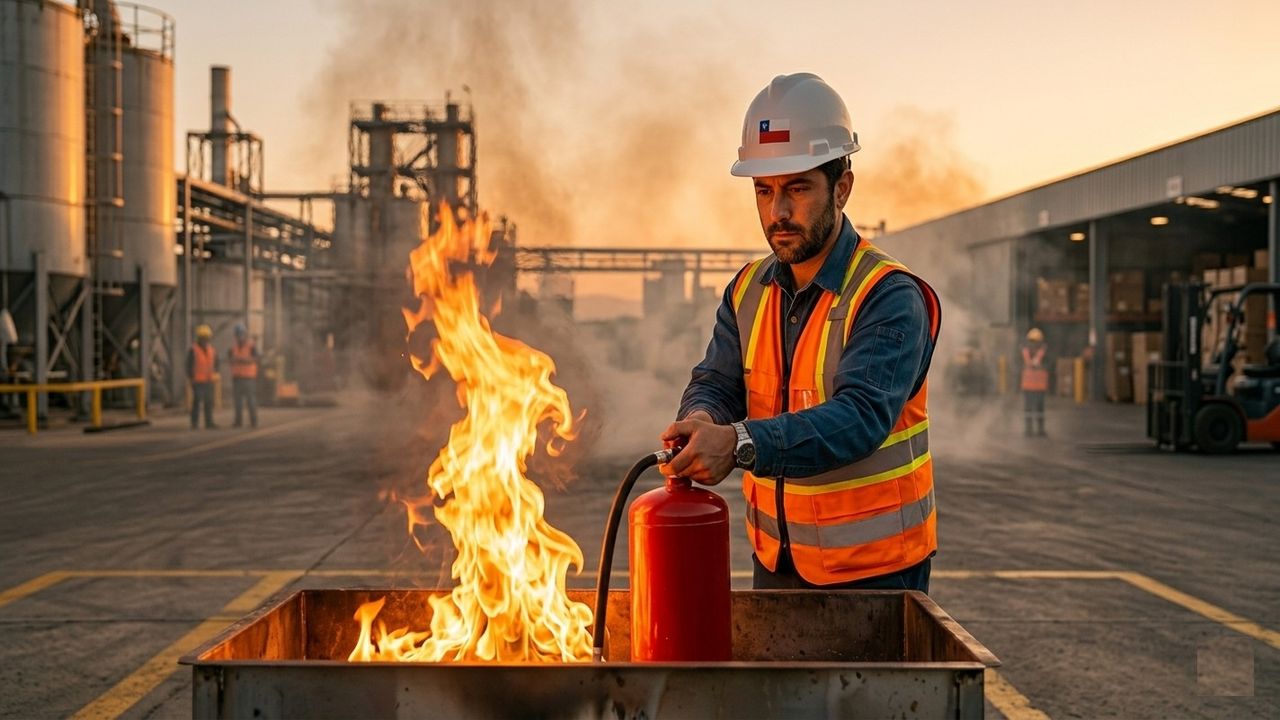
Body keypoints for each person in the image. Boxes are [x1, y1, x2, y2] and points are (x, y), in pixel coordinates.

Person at [660, 74, 941, 592]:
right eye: (764, 192)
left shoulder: (888, 294)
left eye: (797, 188)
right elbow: (718, 382)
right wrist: (701, 418)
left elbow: (859, 419)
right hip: (776, 562)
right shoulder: (747, 290)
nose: (777, 213)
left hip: (876, 575)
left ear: (843, 186)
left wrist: (739, 444)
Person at [228, 323, 260, 428]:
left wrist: (244, 360)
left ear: (245, 335)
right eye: (238, 335)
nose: (240, 337)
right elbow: (230, 359)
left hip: (249, 378)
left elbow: (256, 358)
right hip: (237, 378)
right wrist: (233, 361)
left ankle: (253, 421)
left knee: (251, 401)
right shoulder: (233, 348)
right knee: (238, 402)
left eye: (242, 334)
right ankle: (238, 421)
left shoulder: (251, 347)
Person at [187, 324, 219, 429]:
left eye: (206, 338)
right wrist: (191, 377)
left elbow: (216, 363)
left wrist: (215, 374)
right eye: (203, 338)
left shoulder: (212, 350)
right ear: (199, 338)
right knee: (197, 402)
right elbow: (188, 365)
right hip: (198, 381)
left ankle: (209, 422)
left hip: (209, 380)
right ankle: (194, 423)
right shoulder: (193, 350)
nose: (205, 340)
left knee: (208, 402)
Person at [1020, 328, 1049, 437]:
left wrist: (1041, 366)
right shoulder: (1024, 353)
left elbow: (1049, 365)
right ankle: (1028, 429)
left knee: (1040, 409)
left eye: (1036, 342)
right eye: (1032, 342)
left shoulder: (1044, 354)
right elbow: (1019, 366)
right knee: (1028, 409)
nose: (1033, 344)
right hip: (1028, 386)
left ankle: (1040, 430)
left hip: (1040, 386)